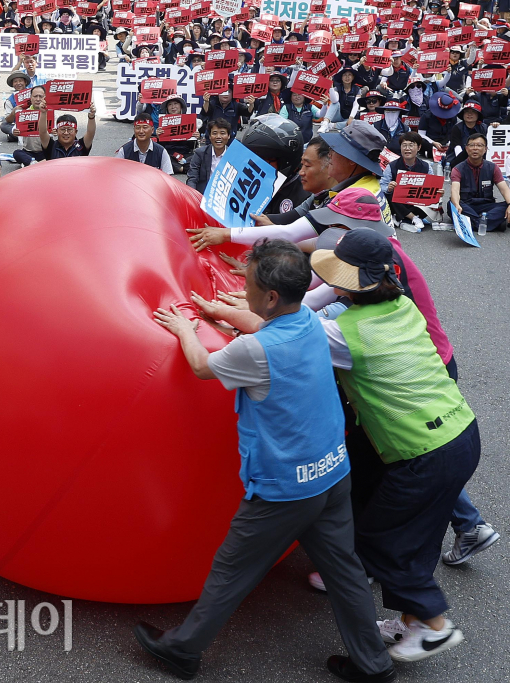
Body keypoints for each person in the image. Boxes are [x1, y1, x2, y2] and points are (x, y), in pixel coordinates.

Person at [134, 240, 396, 683]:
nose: (244, 288)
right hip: (331, 471)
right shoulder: (312, 323)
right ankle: (373, 664)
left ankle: (182, 649)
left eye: (249, 283)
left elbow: (201, 366)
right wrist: (224, 313)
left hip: (285, 486)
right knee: (345, 571)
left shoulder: (253, 353)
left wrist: (184, 327)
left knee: (232, 569)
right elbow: (264, 327)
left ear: (272, 296)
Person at [310, 228, 479, 663]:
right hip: (461, 433)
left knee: (377, 540)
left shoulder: (343, 334)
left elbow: (283, 333)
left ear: (351, 283)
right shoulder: (403, 305)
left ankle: (436, 625)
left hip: (421, 453)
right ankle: (413, 624)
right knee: (420, 537)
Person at [450, 133, 510, 231]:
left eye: (479, 145)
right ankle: (488, 222)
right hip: (466, 205)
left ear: (485, 149)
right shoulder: (457, 169)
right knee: (451, 204)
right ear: (466, 148)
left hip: (486, 206)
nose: (475, 148)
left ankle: (473, 223)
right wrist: (456, 204)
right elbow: (454, 191)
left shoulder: (493, 167)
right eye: (471, 145)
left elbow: (504, 189)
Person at [381, 132, 437, 231]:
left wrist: (438, 192)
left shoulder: (426, 166)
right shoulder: (392, 166)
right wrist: (389, 188)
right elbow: (382, 186)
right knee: (391, 193)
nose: (407, 148)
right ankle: (414, 218)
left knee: (433, 197)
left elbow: (432, 187)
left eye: (411, 145)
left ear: (419, 147)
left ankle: (401, 218)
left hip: (416, 202)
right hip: (398, 203)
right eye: (404, 145)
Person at [186, 119, 231, 193]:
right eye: (214, 133)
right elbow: (192, 178)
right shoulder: (200, 153)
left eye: (222, 133)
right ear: (210, 136)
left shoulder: (234, 156)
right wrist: (193, 195)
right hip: (203, 196)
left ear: (228, 136)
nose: (218, 136)